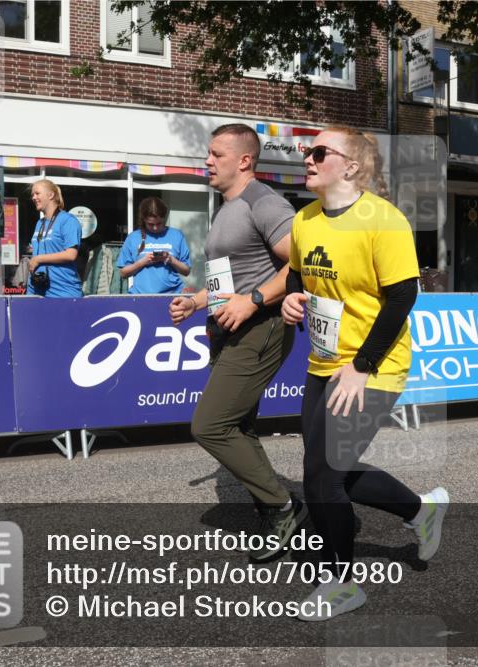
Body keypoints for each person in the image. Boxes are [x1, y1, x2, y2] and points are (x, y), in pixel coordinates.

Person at [281, 126, 449, 621]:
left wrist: (361, 366)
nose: (306, 159)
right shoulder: (306, 219)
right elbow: (298, 275)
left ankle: (341, 584)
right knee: (329, 469)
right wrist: (292, 296)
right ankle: (421, 510)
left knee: (322, 480)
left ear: (351, 167)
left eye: (318, 152)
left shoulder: (384, 220)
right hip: (323, 364)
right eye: (305, 152)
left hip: (372, 369)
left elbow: (403, 296)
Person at [168, 124, 304, 561]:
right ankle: (272, 506)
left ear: (244, 160)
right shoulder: (227, 207)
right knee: (238, 426)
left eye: (215, 154)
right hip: (229, 328)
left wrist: (254, 301)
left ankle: (284, 507)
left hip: (261, 327)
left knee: (210, 425)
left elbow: (302, 264)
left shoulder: (263, 202)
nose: (206, 161)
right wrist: (196, 301)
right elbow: (231, 279)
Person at [118, 197, 192, 294]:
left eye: (159, 223)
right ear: (143, 219)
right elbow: (123, 273)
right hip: (140, 296)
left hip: (173, 295)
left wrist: (171, 260)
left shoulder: (176, 235)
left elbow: (186, 271)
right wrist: (143, 262)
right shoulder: (133, 238)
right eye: (150, 224)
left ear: (164, 218)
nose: (155, 228)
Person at [27, 179, 83, 297]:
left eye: (37, 193)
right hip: (36, 289)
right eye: (32, 195)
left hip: (63, 292)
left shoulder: (68, 220)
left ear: (51, 195)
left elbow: (71, 254)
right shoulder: (40, 223)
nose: (33, 197)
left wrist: (39, 259)